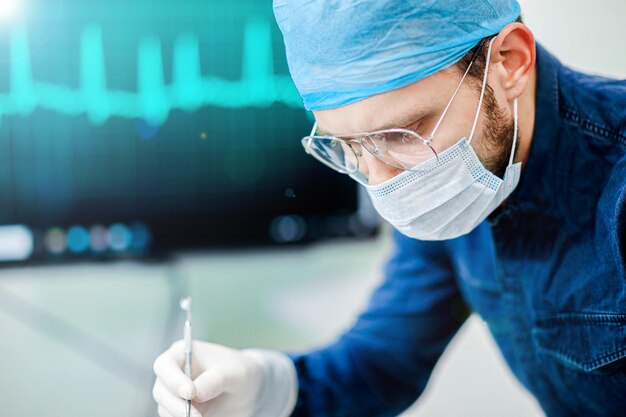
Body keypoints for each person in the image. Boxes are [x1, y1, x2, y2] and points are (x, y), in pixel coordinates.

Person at [152, 1, 626, 416]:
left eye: (402, 133)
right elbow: (389, 361)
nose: (382, 183)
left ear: (509, 62)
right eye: (350, 148)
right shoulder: (455, 178)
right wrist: (267, 386)